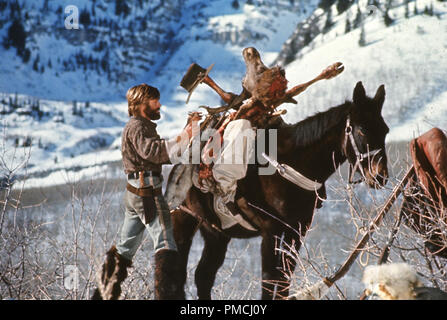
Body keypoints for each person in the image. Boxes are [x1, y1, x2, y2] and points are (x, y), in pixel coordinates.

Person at [91, 84, 196, 300]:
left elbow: (155, 150)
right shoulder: (137, 126)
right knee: (166, 243)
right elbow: (154, 152)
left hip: (136, 194)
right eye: (154, 101)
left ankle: (101, 295)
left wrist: (185, 134)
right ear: (140, 104)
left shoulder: (140, 125)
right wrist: (186, 136)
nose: (159, 105)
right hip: (147, 193)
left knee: (124, 249)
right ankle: (167, 296)